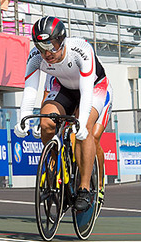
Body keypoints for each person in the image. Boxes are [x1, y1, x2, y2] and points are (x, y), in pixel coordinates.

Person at [13, 16, 113, 211]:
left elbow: (85, 93)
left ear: (62, 40)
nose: (46, 53)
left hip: (94, 88)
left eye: (51, 45)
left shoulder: (81, 51)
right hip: (64, 88)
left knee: (86, 132)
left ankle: (85, 187)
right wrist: (23, 118)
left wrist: (82, 122)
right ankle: (53, 162)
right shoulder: (35, 57)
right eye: (41, 47)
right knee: (46, 123)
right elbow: (31, 89)